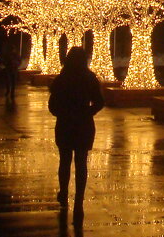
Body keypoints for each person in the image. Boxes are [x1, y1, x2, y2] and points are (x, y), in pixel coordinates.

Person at [48, 47, 104, 221]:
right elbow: (100, 102)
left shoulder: (61, 79)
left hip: (65, 124)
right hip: (84, 124)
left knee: (64, 160)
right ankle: (79, 200)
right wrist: (88, 112)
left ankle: (64, 193)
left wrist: (63, 113)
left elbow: (52, 105)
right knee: (81, 162)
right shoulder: (89, 78)